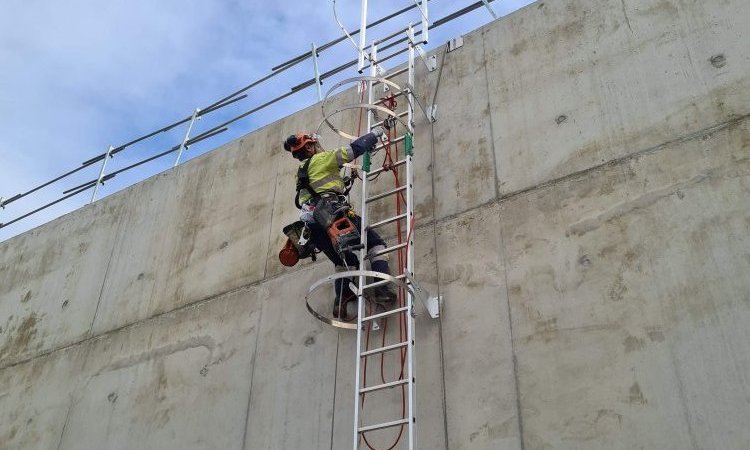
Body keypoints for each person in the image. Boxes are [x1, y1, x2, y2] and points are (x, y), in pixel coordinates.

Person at [283, 129, 397, 319]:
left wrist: (342, 182)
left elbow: (319, 187)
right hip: (332, 216)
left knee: (344, 260)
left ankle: (342, 299)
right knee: (375, 243)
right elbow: (354, 149)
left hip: (312, 227)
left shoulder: (300, 172)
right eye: (314, 145)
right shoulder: (322, 159)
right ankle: (381, 289)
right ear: (310, 147)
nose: (318, 147)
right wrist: (374, 135)